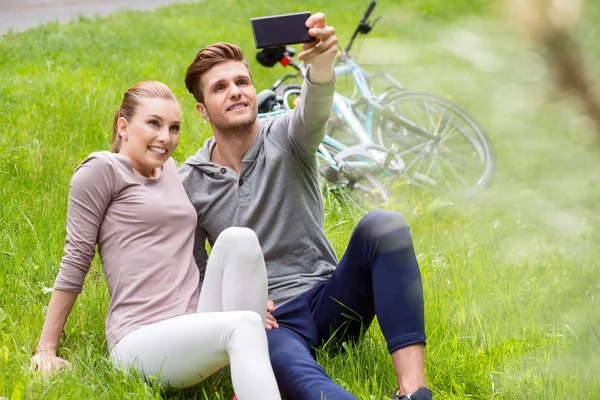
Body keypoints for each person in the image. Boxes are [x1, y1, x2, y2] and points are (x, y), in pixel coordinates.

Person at [178, 12, 432, 400]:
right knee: (303, 381)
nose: (236, 91)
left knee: (385, 225)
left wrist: (322, 64)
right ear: (202, 109)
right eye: (220, 87)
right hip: (267, 322)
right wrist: (234, 315)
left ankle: (413, 392)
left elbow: (314, 111)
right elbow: (193, 276)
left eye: (242, 82)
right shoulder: (189, 182)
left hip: (330, 300)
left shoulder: (286, 134)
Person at [30, 81, 281, 400]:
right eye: (154, 124)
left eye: (174, 127)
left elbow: (192, 254)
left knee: (239, 238)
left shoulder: (171, 171)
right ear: (124, 126)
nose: (166, 137)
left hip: (193, 325)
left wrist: (247, 300)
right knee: (243, 325)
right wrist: (45, 349)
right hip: (139, 340)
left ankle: (246, 375)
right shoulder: (102, 170)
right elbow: (76, 259)